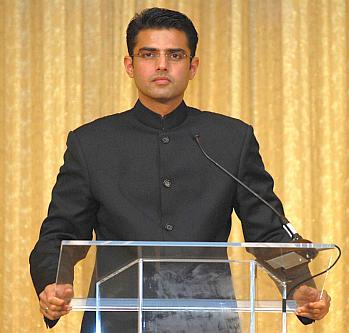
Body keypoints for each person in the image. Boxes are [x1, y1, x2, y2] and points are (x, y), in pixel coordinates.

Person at [30, 7, 331, 332]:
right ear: (130, 65)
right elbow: (61, 233)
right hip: (117, 319)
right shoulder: (91, 143)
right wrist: (54, 282)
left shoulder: (230, 139)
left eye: (175, 55)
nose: (162, 65)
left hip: (208, 319)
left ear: (193, 66)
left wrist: (300, 286)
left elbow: (268, 232)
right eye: (149, 54)